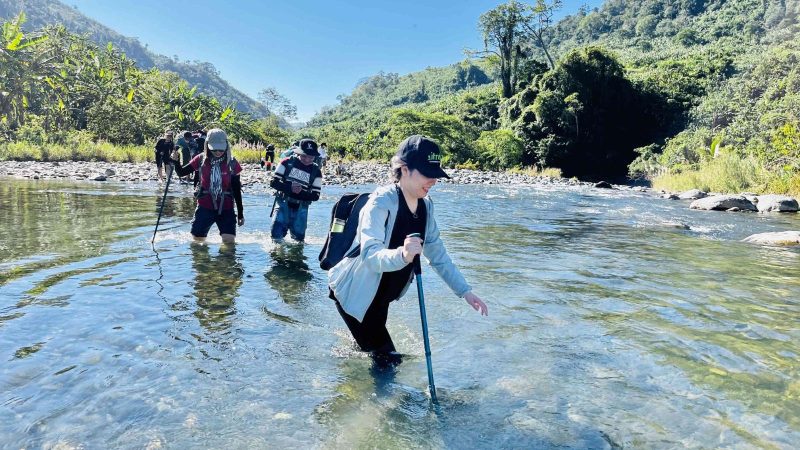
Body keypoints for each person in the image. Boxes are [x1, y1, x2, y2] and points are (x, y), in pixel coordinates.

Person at [327, 135, 488, 366]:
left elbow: (438, 256)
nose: (433, 180)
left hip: (379, 297)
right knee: (390, 362)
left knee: (373, 350)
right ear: (403, 169)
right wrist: (402, 255)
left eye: (435, 173)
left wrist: (466, 292)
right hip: (355, 294)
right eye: (426, 173)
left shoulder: (426, 205)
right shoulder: (380, 202)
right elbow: (370, 255)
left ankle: (351, 359)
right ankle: (377, 402)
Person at [169, 128, 244, 244]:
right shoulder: (200, 159)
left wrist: (240, 213)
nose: (218, 152)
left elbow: (237, 190)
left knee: (229, 243)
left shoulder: (232, 163)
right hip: (205, 207)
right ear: (207, 145)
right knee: (198, 243)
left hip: (226, 208)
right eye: (214, 149)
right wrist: (176, 161)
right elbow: (181, 173)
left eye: (221, 149)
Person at [269, 138, 323, 242]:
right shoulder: (286, 163)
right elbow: (273, 182)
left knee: (298, 241)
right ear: (298, 153)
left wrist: (301, 192)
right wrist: (290, 188)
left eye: (311, 157)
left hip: (301, 208)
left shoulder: (316, 172)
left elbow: (315, 196)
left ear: (314, 157)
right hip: (283, 203)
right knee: (276, 237)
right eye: (304, 156)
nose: (307, 159)